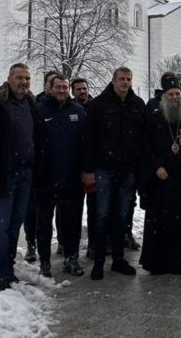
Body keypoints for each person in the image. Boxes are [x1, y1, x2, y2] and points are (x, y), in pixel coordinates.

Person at [0, 63, 46, 291]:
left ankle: (9, 267)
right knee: (0, 225)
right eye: (19, 78)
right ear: (9, 78)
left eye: (27, 78)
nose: (23, 82)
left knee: (15, 224)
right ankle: (0, 274)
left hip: (26, 173)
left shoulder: (30, 103)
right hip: (2, 175)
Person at [83, 67, 147, 280]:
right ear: (113, 81)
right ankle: (99, 261)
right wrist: (89, 170)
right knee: (101, 216)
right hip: (104, 170)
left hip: (128, 171)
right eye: (122, 79)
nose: (125, 82)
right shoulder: (98, 105)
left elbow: (141, 140)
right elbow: (89, 140)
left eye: (129, 79)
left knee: (122, 217)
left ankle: (118, 259)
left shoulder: (137, 105)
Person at [140, 76, 181, 274]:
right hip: (161, 179)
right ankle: (158, 263)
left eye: (178, 94)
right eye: (171, 94)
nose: (175, 97)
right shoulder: (154, 118)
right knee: (159, 222)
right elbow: (145, 146)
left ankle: (180, 262)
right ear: (164, 97)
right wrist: (156, 166)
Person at [34, 74, 88, 277]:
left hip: (71, 178)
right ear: (50, 88)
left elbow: (85, 143)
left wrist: (85, 168)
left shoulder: (78, 111)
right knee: (44, 222)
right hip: (46, 178)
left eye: (65, 87)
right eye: (58, 87)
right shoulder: (39, 110)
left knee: (71, 222)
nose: (62, 91)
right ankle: (45, 262)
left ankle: (71, 258)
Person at [25, 71, 59, 263]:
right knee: (33, 211)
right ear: (47, 85)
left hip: (59, 171)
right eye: (50, 83)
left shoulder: (70, 107)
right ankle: (31, 243)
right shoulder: (36, 105)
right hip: (39, 170)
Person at [70, 76, 98, 259]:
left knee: (95, 208)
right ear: (73, 91)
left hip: (94, 167)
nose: (82, 91)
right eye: (78, 89)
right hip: (73, 167)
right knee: (73, 210)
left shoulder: (96, 107)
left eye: (84, 88)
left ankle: (94, 245)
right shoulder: (70, 109)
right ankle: (69, 245)